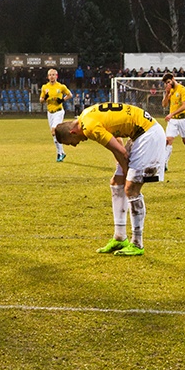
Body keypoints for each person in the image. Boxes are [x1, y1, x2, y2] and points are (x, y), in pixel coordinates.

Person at [55, 102, 165, 256]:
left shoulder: (90, 128)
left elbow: (120, 151)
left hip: (148, 135)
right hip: (139, 133)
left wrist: (126, 171)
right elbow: (117, 140)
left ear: (73, 132)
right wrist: (122, 168)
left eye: (70, 143)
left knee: (131, 189)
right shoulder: (85, 116)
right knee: (116, 182)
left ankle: (137, 244)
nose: (74, 145)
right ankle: (120, 237)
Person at [161, 73, 185, 171]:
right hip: (173, 120)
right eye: (166, 83)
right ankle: (164, 164)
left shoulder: (182, 89)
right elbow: (164, 105)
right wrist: (167, 94)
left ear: (173, 79)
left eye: (168, 82)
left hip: (183, 119)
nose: (167, 84)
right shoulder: (169, 91)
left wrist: (171, 114)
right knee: (168, 140)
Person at [39, 68, 72, 161]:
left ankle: (59, 154)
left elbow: (70, 95)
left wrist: (62, 100)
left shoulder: (61, 87)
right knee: (54, 135)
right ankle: (61, 153)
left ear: (56, 76)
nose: (52, 76)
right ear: (47, 77)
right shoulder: (45, 87)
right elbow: (41, 100)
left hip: (58, 111)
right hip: (50, 113)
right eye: (50, 75)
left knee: (54, 131)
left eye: (53, 74)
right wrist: (45, 97)